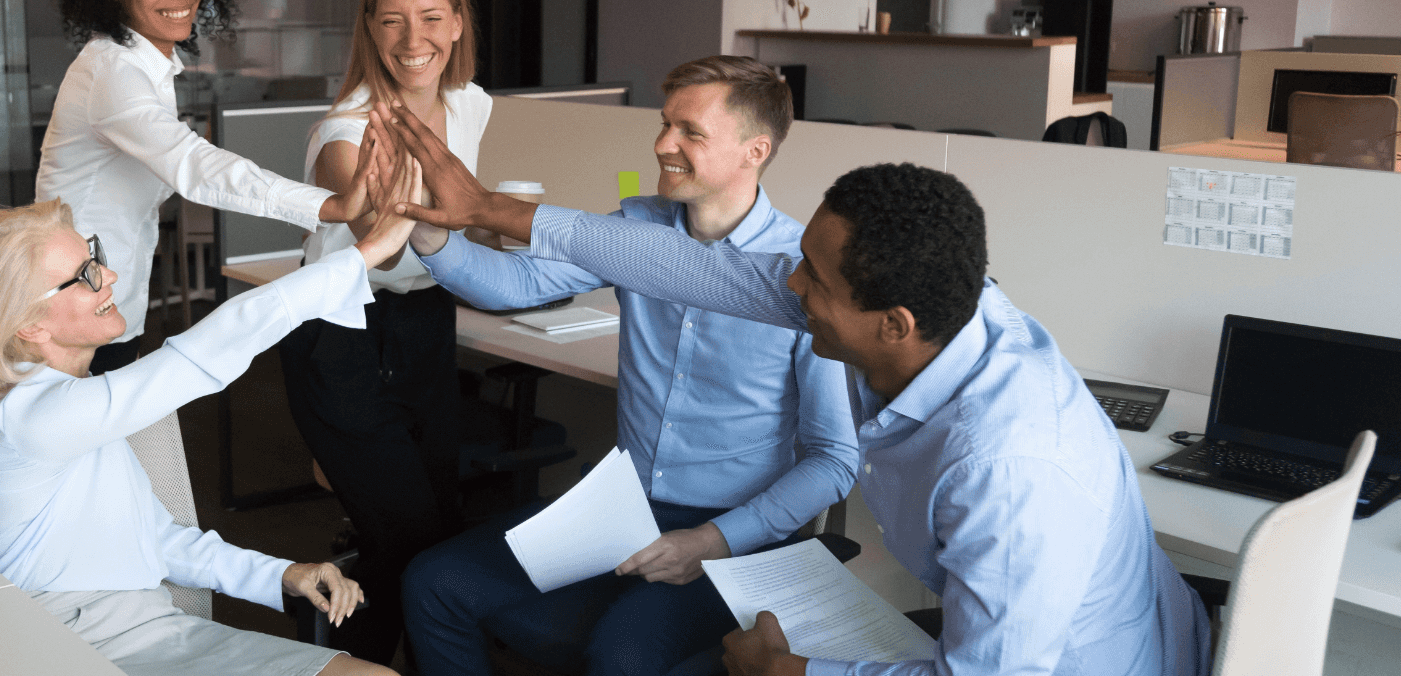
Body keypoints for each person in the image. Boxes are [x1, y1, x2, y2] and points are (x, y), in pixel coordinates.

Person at [376, 113, 1211, 676]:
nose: (788, 284)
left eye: (811, 276)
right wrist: (491, 209)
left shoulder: (1010, 467)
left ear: (894, 323)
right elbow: (688, 268)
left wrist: (795, 673)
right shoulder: (942, 310)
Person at [399, 56, 858, 676]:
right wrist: (426, 230)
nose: (662, 144)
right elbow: (514, 283)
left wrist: (710, 543)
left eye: (690, 132)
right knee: (434, 582)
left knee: (622, 653)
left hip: (737, 536)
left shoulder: (803, 276)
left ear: (756, 149)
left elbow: (834, 459)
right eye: (666, 124)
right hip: (622, 512)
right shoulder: (637, 225)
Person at [0, 143, 416, 676]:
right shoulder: (35, 420)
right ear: (29, 326)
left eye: (96, 257)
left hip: (160, 631)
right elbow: (200, 355)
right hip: (65, 650)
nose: (109, 277)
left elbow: (155, 540)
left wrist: (280, 574)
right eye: (85, 274)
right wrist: (364, 255)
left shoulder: (75, 403)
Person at [35, 0, 377, 369]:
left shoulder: (147, 66)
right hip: (70, 308)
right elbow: (192, 164)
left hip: (108, 301)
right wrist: (327, 204)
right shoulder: (113, 72)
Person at [277, 0, 491, 665]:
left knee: (440, 530)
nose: (413, 38)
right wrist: (451, 208)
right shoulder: (345, 131)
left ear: (458, 22)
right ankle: (343, 662)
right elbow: (385, 246)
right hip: (340, 341)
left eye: (431, 16)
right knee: (406, 542)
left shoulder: (470, 105)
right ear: (370, 27)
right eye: (392, 20)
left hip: (424, 328)